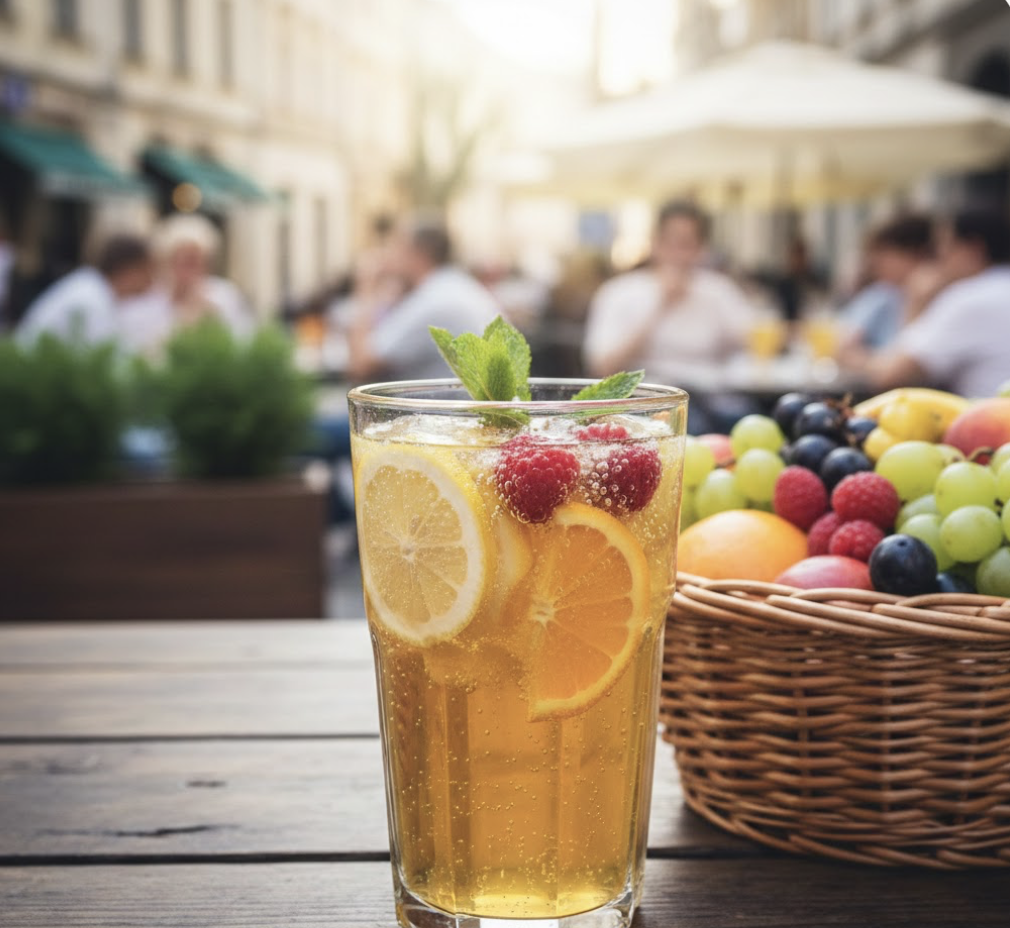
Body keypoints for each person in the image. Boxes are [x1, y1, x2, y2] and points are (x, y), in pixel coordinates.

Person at [583, 200, 757, 386]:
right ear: (655, 243)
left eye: (687, 244)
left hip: (713, 393)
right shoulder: (619, 291)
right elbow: (602, 367)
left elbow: (753, 339)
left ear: (701, 248)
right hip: (648, 395)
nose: (679, 254)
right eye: (671, 242)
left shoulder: (717, 289)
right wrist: (660, 306)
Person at [864, 210, 1010, 397]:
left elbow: (890, 375)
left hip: (989, 420)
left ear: (973, 249)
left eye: (945, 246)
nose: (938, 258)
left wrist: (916, 302)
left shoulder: (970, 298)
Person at [345, 216, 499, 382]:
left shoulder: (434, 299)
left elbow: (360, 366)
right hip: (462, 403)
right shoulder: (451, 284)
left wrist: (365, 288)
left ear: (416, 253)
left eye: (394, 247)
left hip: (447, 405)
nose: (386, 256)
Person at [120, 214, 253, 355]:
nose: (194, 271)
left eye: (201, 262)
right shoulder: (143, 304)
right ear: (166, 262)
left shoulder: (225, 296)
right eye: (187, 262)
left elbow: (243, 344)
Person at [16, 234, 153, 347]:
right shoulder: (90, 300)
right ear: (130, 270)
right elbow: (110, 359)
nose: (150, 279)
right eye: (147, 270)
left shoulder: (90, 287)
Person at [839, 215, 934, 353]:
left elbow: (904, 362)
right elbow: (843, 339)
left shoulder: (942, 300)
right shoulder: (883, 295)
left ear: (915, 254)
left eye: (882, 255)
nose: (873, 263)